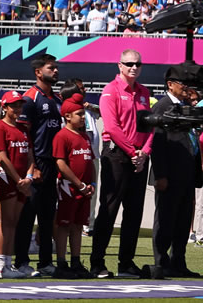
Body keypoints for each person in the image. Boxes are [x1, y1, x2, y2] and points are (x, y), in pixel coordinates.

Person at [91, 49, 150, 279]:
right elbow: (112, 127)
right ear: (120, 65)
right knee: (109, 209)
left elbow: (149, 127)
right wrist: (132, 151)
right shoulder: (110, 91)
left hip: (139, 157)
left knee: (134, 212)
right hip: (116, 155)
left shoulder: (144, 92)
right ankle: (97, 263)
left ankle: (126, 263)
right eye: (129, 64)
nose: (134, 67)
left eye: (137, 64)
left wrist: (144, 152)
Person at [150, 64, 203, 278]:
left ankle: (178, 262)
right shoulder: (163, 107)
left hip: (187, 173)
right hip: (169, 175)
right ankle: (161, 263)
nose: (187, 88)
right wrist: (160, 174)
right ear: (170, 85)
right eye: (183, 84)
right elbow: (157, 143)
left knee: (182, 221)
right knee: (165, 219)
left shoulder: (185, 107)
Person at [16, 55, 61, 278]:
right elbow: (24, 136)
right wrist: (31, 166)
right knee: (27, 215)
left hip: (53, 163)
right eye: (51, 68)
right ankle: (21, 262)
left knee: (47, 216)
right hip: (36, 162)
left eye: (56, 67)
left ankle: (45, 263)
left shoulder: (58, 99)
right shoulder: (30, 98)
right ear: (38, 72)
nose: (55, 71)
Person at [0, 90, 34, 278]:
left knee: (13, 222)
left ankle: (7, 262)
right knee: (6, 221)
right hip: (5, 179)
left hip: (22, 181)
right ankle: (0, 265)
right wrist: (18, 180)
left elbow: (30, 155)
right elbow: (2, 157)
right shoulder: (0, 128)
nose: (18, 108)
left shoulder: (23, 129)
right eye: (13, 105)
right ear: (4, 107)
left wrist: (29, 178)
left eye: (19, 104)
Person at [52, 94, 94, 278]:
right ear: (67, 116)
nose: (83, 117)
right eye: (79, 114)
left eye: (83, 114)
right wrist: (79, 184)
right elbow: (61, 164)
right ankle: (61, 263)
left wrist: (91, 184)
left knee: (78, 226)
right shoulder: (62, 136)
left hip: (84, 189)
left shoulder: (84, 136)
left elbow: (89, 161)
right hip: (68, 188)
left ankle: (76, 262)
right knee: (64, 225)